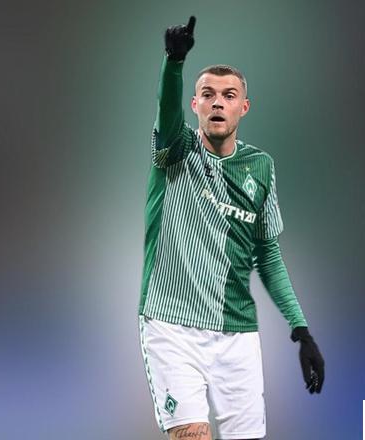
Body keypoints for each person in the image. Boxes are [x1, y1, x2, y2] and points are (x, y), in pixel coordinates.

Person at [138, 16, 325, 440]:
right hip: (172, 326)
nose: (217, 103)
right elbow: (166, 112)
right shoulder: (175, 151)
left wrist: (301, 330)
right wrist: (174, 63)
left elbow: (268, 256)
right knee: (192, 434)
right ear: (195, 105)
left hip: (237, 333)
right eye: (208, 95)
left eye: (228, 95)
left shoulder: (261, 167)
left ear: (244, 107)